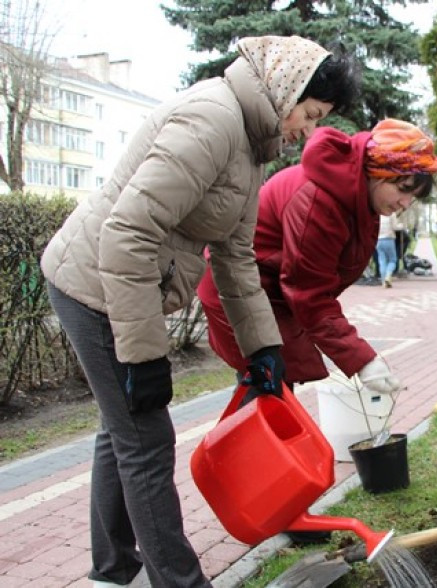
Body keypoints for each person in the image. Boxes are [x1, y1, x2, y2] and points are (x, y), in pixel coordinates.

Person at [40, 35, 358, 588]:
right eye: (309, 114)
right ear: (284, 91)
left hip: (120, 284)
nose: (307, 131)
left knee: (122, 430)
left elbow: (235, 254)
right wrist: (145, 356)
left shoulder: (251, 143)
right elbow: (127, 233)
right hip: (92, 284)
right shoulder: (212, 122)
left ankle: (112, 572)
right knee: (146, 437)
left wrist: (264, 349)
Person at [197, 118, 437, 402]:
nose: (405, 203)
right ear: (378, 172)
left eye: (413, 196)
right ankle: (243, 446)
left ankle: (258, 442)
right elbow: (308, 292)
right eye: (403, 189)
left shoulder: (359, 198)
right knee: (268, 384)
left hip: (270, 292)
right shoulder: (319, 201)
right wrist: (361, 359)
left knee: (276, 386)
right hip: (238, 290)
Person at [376, 212, 399, 287]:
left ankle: (383, 282)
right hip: (389, 239)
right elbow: (395, 227)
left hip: (378, 240)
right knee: (392, 260)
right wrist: (401, 226)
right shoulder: (391, 213)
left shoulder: (378, 213)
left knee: (382, 261)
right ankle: (388, 276)